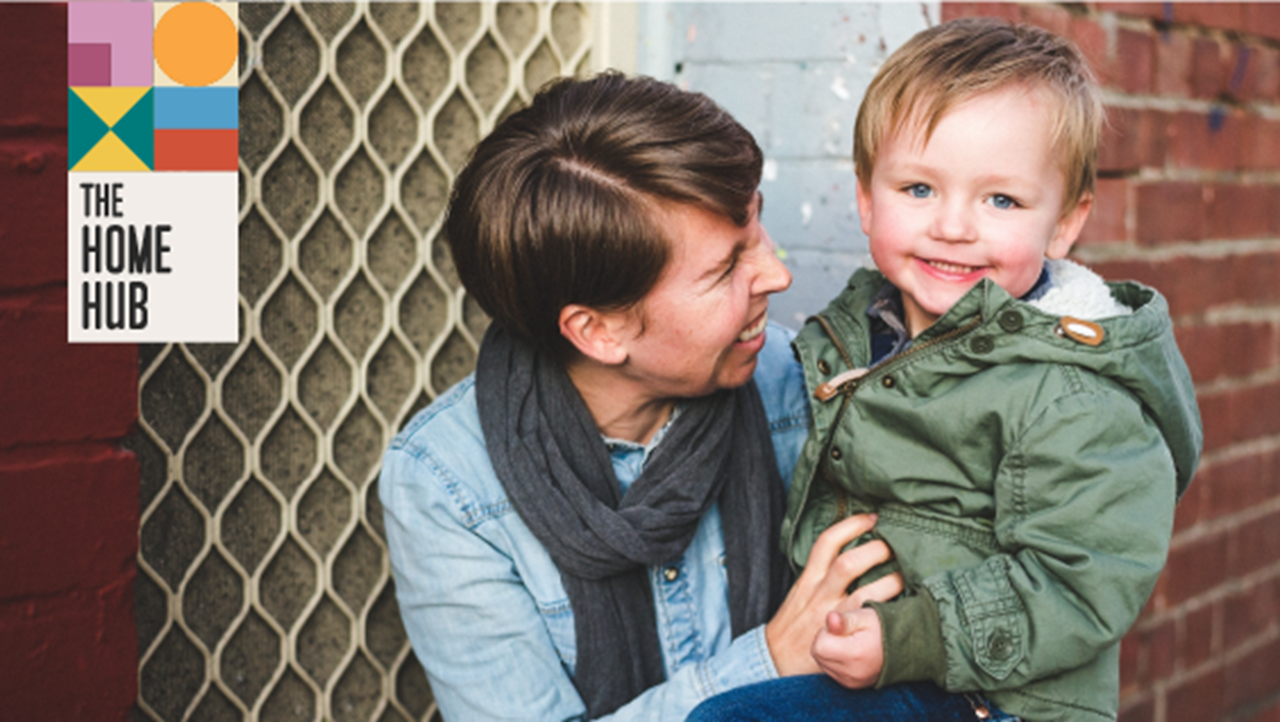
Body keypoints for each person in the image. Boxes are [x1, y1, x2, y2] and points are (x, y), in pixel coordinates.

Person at [688, 17, 1203, 722]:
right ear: (866, 198)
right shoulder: (857, 336)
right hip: (871, 663)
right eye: (919, 189)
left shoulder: (1071, 392)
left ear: (1064, 223)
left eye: (1001, 200)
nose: (953, 227)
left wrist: (909, 636)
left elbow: (1083, 580)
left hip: (992, 696)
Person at [379, 72, 904, 721]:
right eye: (725, 267)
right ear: (599, 332)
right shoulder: (447, 483)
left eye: (756, 228)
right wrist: (769, 660)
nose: (777, 273)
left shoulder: (801, 384)